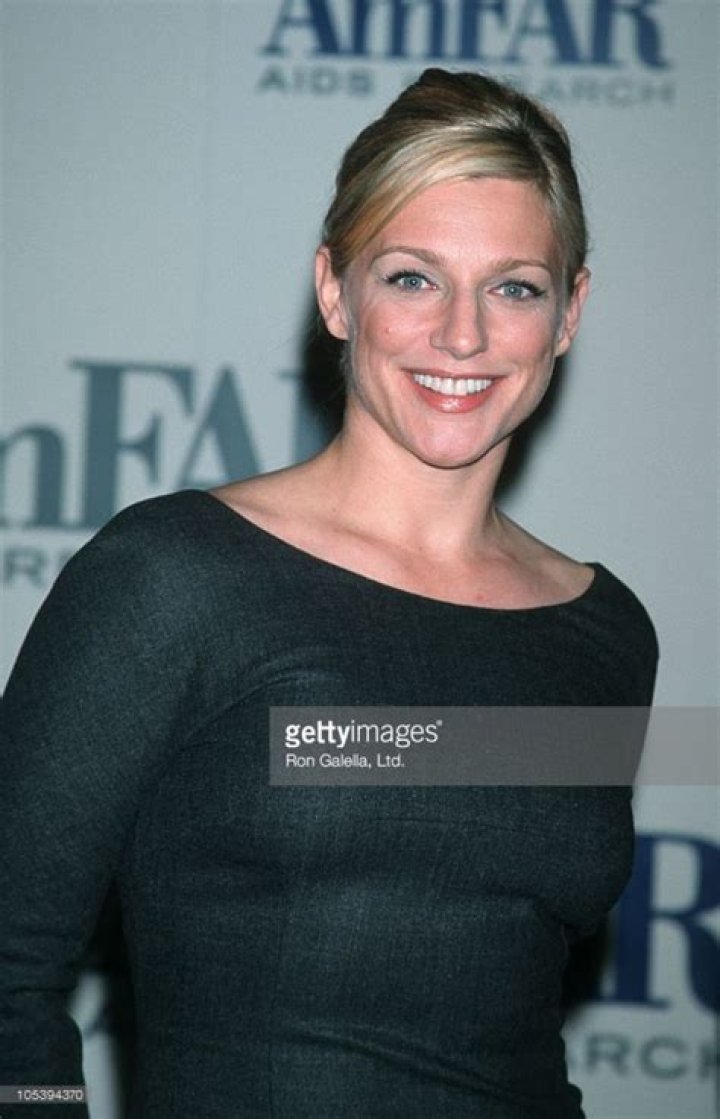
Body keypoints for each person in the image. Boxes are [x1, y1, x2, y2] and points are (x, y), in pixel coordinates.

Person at [0, 69, 658, 1117]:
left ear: (569, 313)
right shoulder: (177, 576)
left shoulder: (605, 633)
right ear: (335, 292)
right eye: (412, 277)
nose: (463, 336)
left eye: (515, 288)